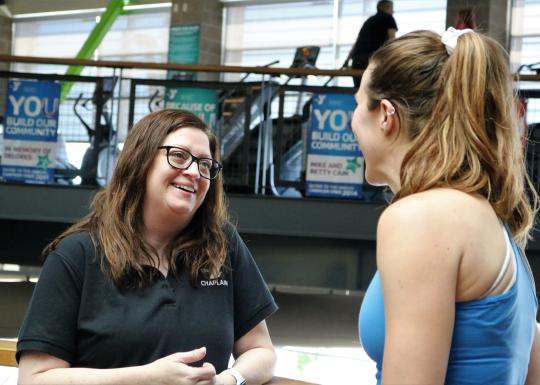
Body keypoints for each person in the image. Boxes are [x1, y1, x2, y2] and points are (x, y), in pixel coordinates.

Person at [16, 109, 278, 385]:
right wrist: (146, 379)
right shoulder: (77, 254)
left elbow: (261, 351)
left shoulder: (222, 244)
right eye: (178, 156)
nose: (193, 172)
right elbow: (34, 379)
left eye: (205, 165)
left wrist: (229, 380)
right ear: (140, 159)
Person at [352, 28, 540, 384]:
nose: (352, 121)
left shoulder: (420, 218)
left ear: (387, 115)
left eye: (358, 103)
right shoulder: (491, 220)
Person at [345, 0, 397, 88]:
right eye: (392, 8)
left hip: (357, 60)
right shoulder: (388, 18)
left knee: (359, 91)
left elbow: (357, 42)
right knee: (375, 91)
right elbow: (392, 39)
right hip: (371, 59)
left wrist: (347, 61)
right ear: (387, 8)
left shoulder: (369, 20)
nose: (393, 11)